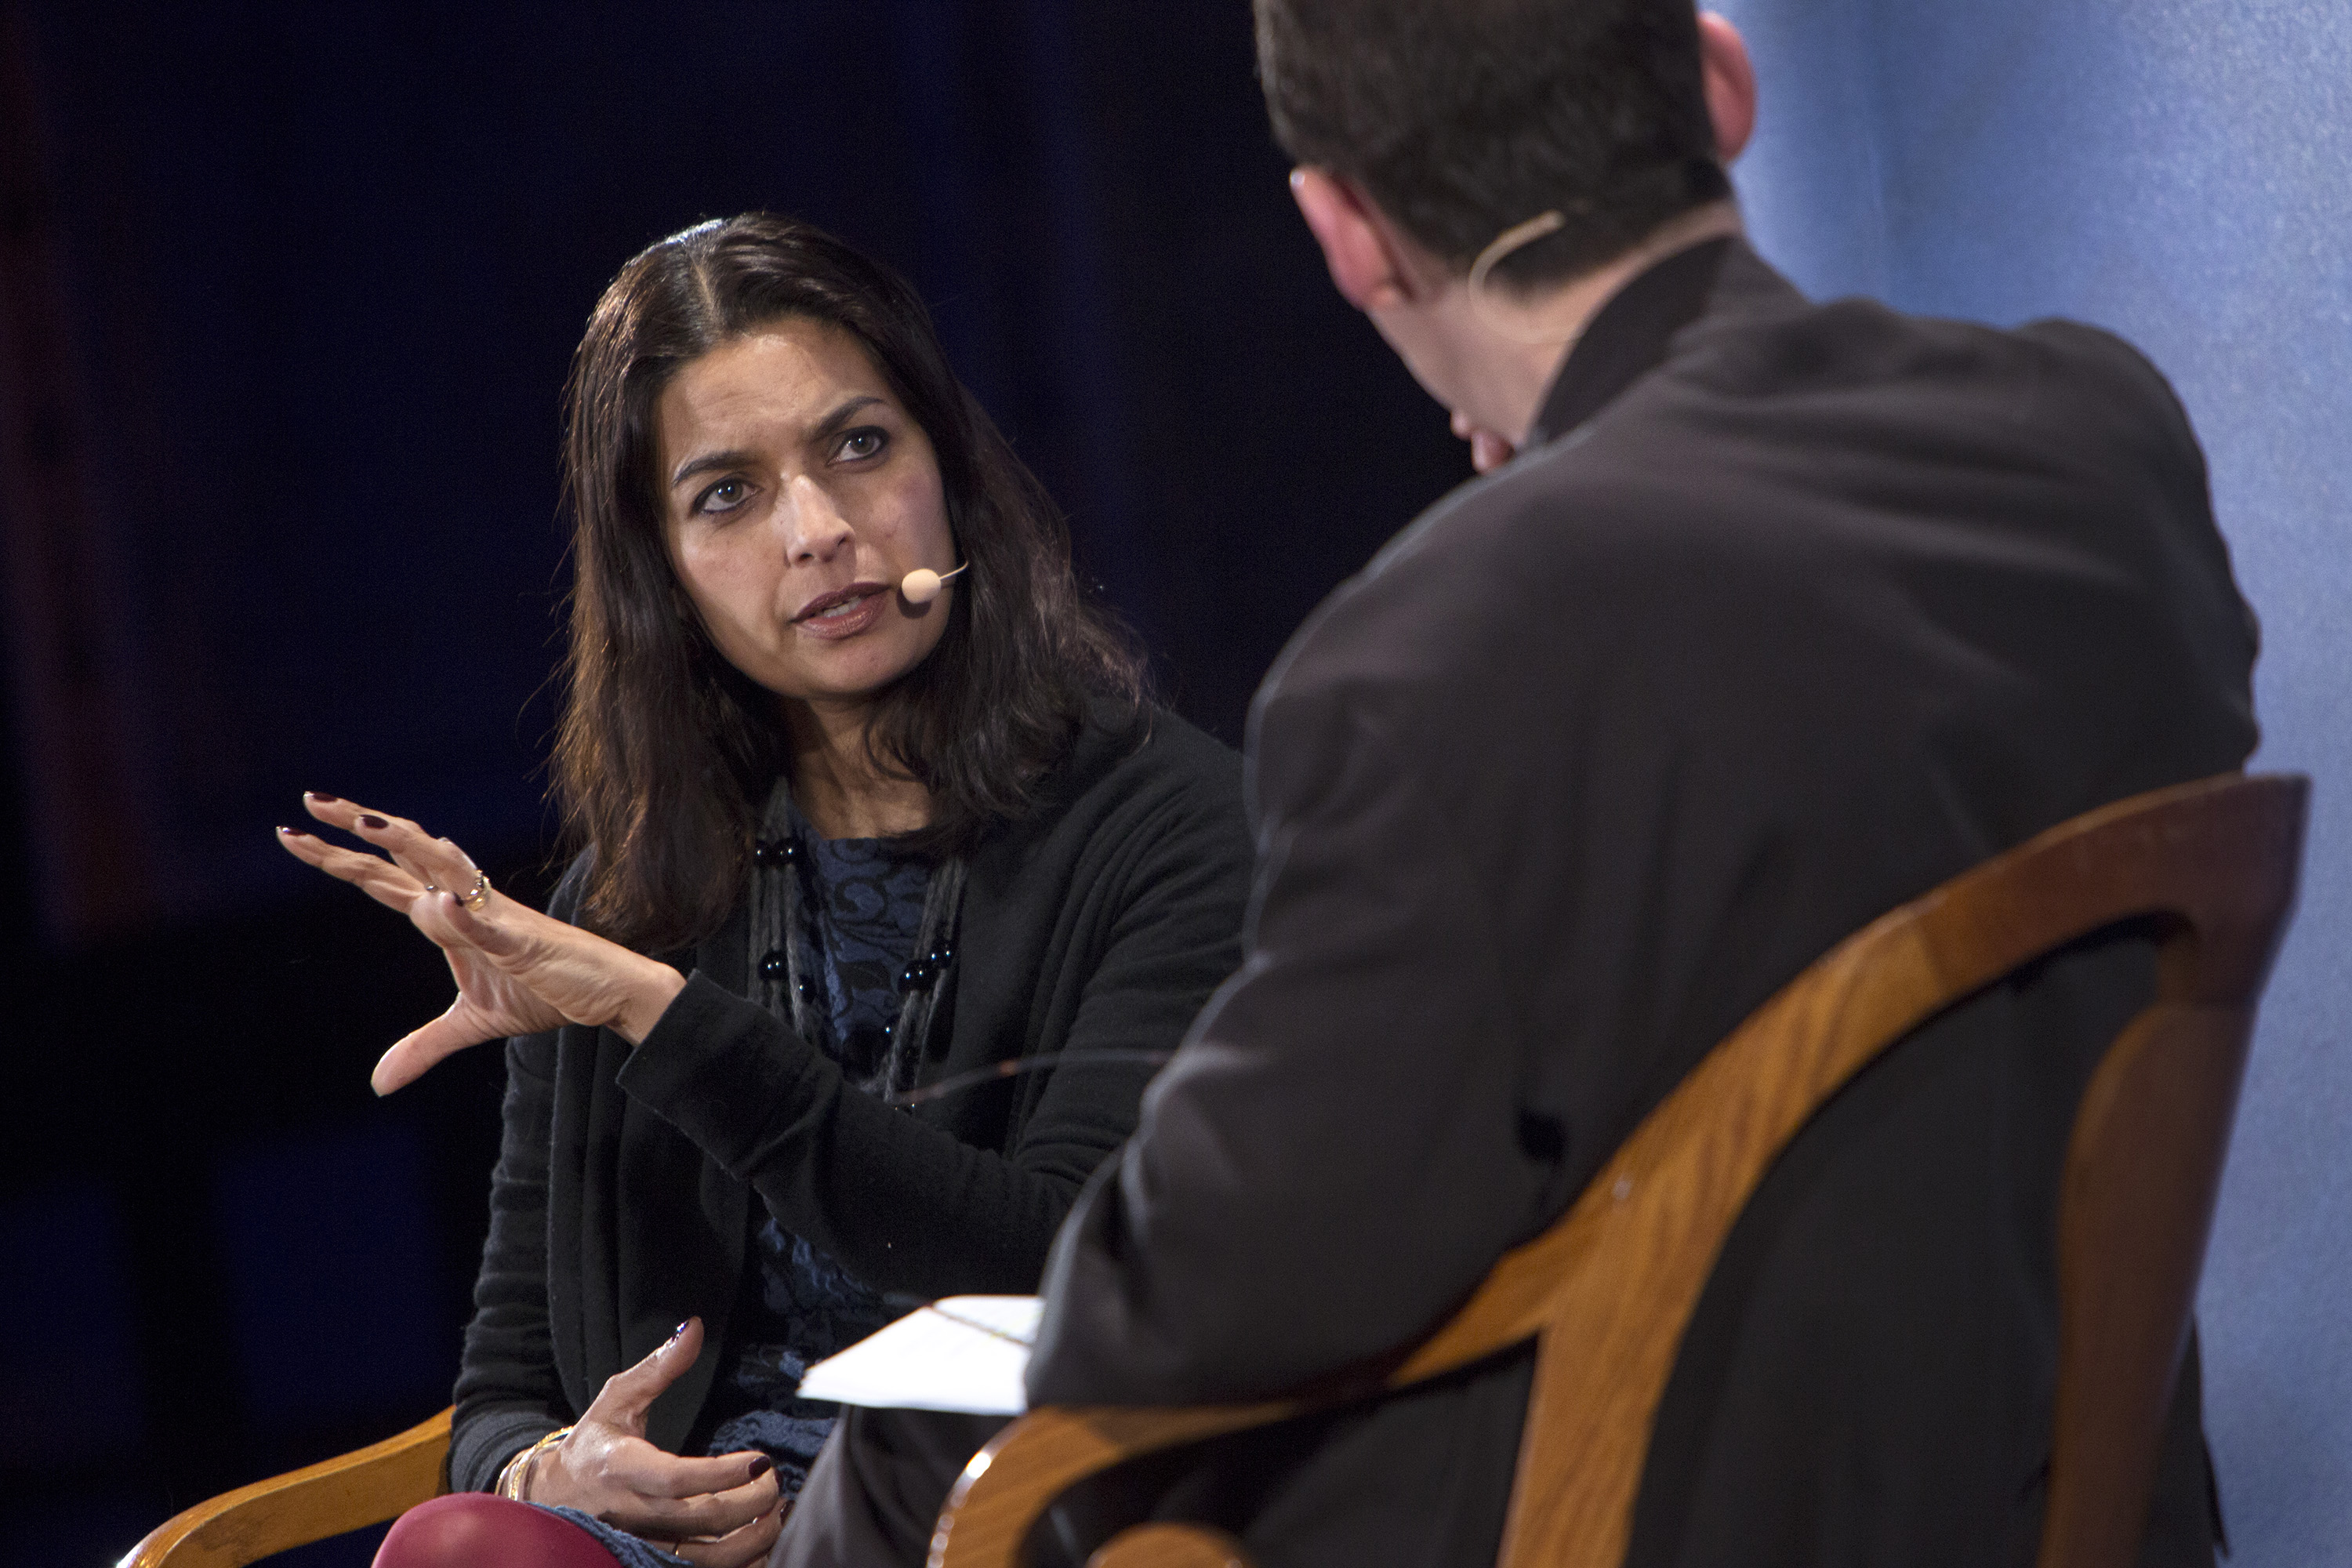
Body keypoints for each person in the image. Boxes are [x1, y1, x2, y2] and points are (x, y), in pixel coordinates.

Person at [779, 3, 2260, 1566]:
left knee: (911, 1451)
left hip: (1636, 1515)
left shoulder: (1432, 650)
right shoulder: (2097, 438)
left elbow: (1204, 1291)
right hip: (2069, 1496)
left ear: (1349, 235)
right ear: (1720, 80)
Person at [276, 212, 1253, 1568]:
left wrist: (660, 1019)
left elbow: (1065, 1272)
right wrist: (563, 1468)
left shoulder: (1168, 825)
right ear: (662, 574)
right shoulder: (630, 901)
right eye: (725, 494)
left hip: (1009, 1519)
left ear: (948, 469)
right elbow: (505, 1384)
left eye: (860, 445)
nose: (821, 529)